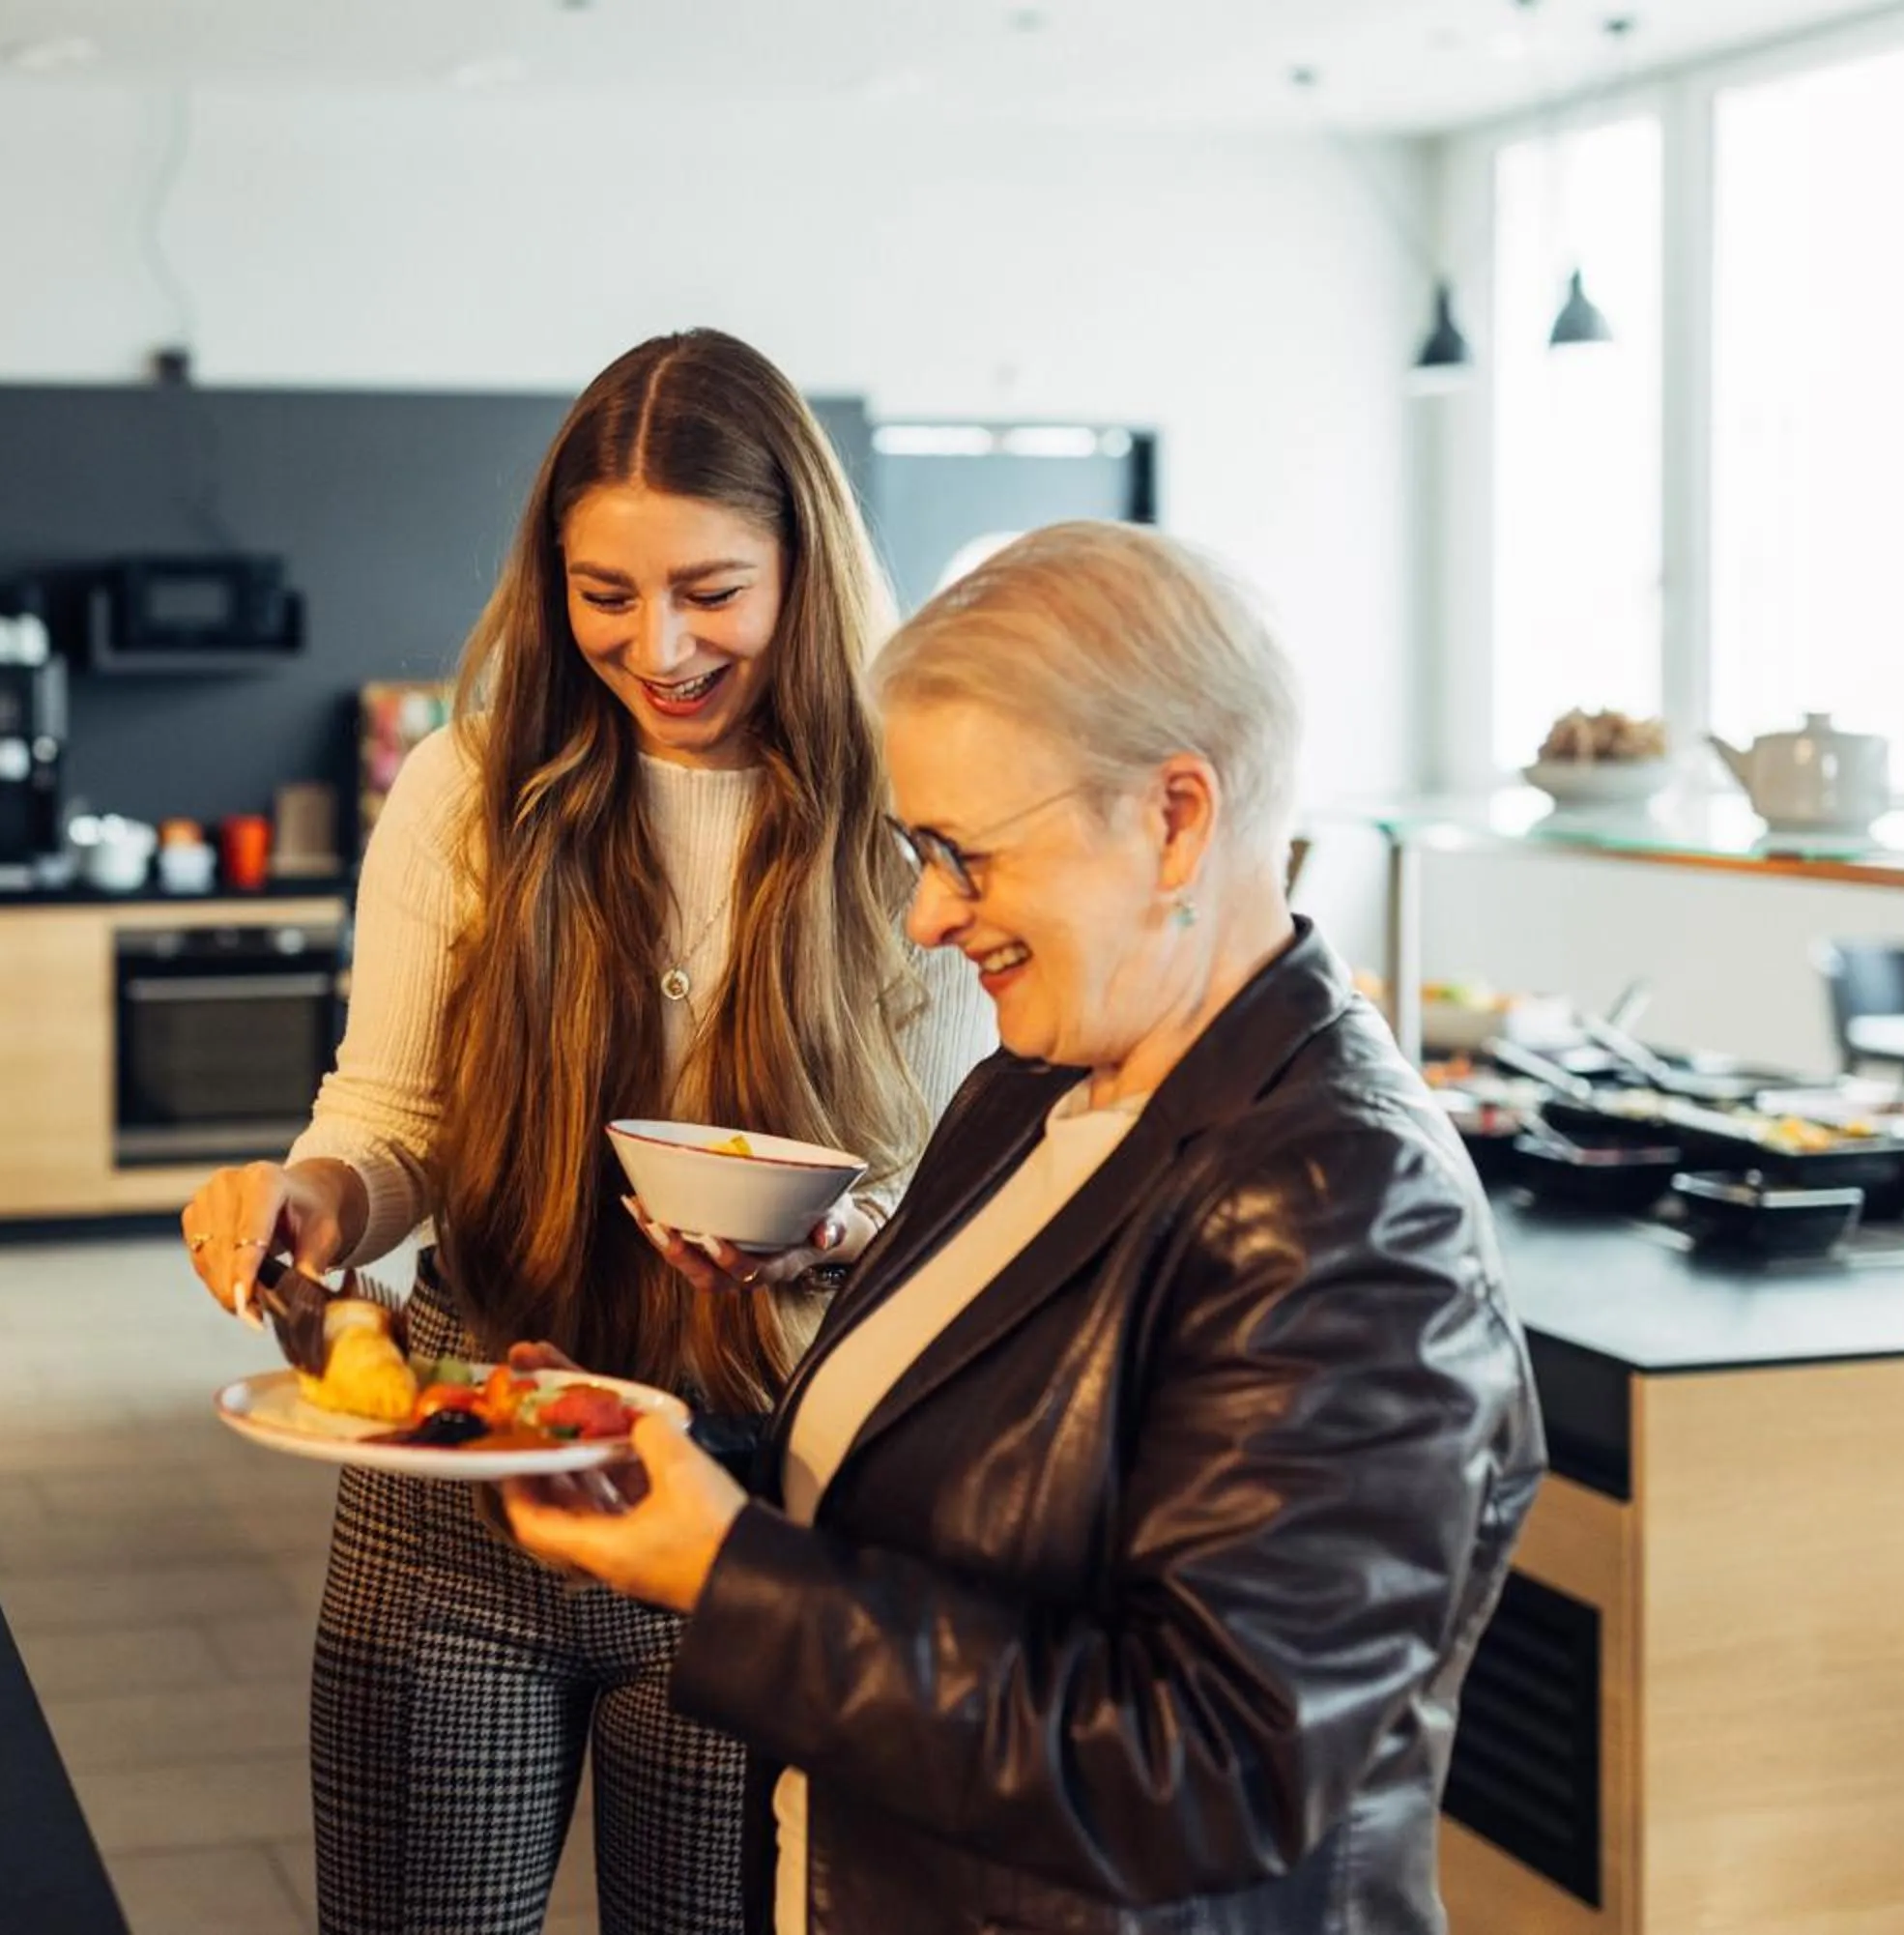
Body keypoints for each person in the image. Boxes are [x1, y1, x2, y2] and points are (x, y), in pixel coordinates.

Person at [507, 520, 1544, 1935]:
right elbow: (966, 1499)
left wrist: (726, 1572)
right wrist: (668, 1467)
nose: (929, 916)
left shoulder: (1344, 1201)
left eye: (966, 854)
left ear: (1176, 817)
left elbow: (1210, 1768)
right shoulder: (1030, 1088)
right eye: (916, 851)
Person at [178, 329, 994, 1935]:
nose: (659, 645)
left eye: (713, 590)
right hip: (460, 1475)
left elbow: (948, 1202)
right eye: (605, 594)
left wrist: (840, 1235)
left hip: (755, 1505)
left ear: (806, 570)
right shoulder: (472, 786)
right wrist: (316, 1196)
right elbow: (393, 1117)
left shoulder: (910, 818)